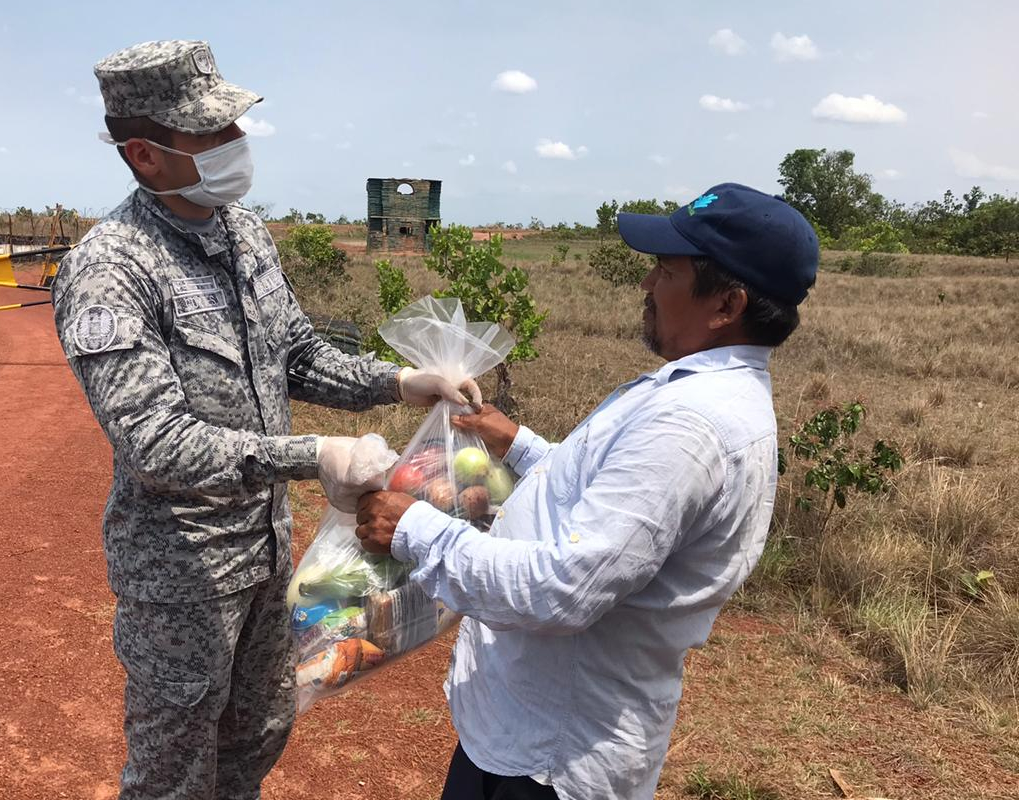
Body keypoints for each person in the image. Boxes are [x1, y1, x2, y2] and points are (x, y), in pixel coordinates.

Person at [51, 40, 478, 800]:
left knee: (258, 734)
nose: (237, 146)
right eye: (213, 134)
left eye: (236, 127)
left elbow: (300, 356)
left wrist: (403, 381)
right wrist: (314, 453)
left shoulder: (242, 232)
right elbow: (157, 444)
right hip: (183, 574)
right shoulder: (111, 269)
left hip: (265, 548)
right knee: (175, 770)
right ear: (146, 157)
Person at [354, 183, 818, 800]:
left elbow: (565, 589)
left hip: (552, 757)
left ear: (726, 303)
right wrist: (516, 442)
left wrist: (413, 527)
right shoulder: (694, 396)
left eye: (666, 271)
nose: (647, 286)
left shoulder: (690, 426)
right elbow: (610, 503)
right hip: (528, 732)